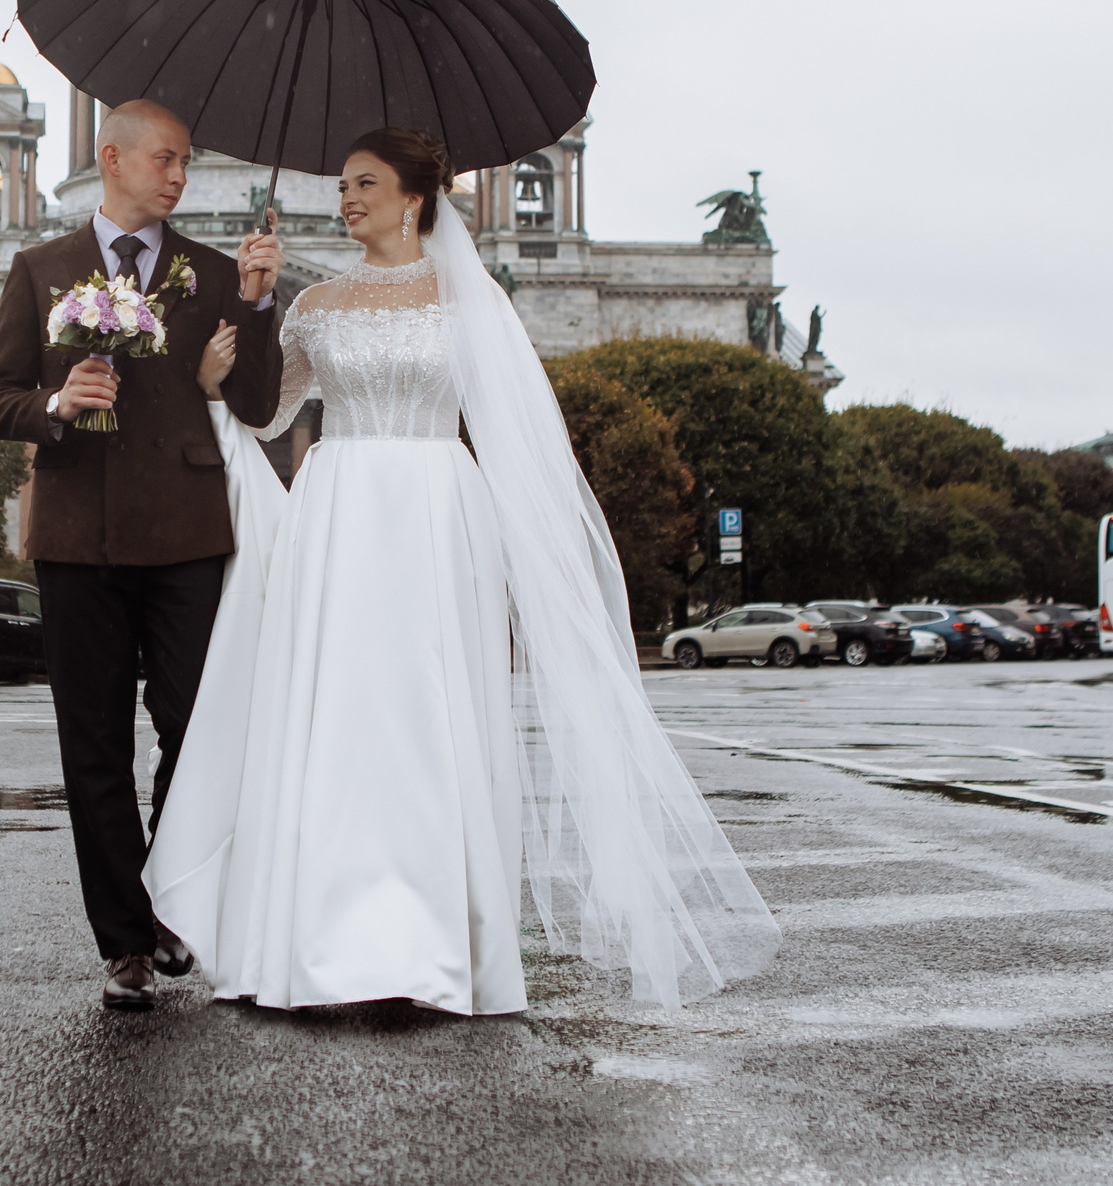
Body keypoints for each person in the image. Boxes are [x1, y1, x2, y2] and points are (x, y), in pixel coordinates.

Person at [145, 128, 779, 1014]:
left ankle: (429, 947)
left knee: (428, 716)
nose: (347, 199)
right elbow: (264, 412)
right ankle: (323, 940)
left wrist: (538, 555)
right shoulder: (313, 303)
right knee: (339, 715)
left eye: (365, 183)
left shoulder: (472, 302)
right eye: (343, 185)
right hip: (337, 515)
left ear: (415, 198)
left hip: (439, 516)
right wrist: (250, 307)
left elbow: (517, 434)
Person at [0, 99, 285, 1010]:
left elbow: (262, 404)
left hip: (188, 535)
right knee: (95, 746)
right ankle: (126, 941)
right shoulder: (41, 271)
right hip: (75, 539)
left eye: (186, 162)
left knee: (193, 733)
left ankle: (167, 898)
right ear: (110, 158)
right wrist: (55, 403)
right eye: (165, 160)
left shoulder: (220, 272)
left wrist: (261, 307)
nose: (180, 176)